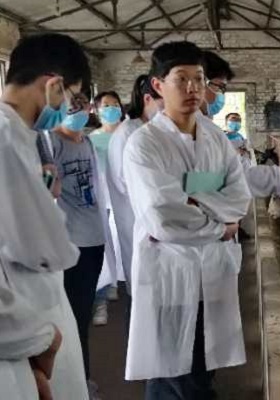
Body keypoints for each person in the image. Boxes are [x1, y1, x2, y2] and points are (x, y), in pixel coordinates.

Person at [123, 41, 251, 400]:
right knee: (171, 372)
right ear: (158, 85)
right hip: (170, 273)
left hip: (213, 270)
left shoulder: (216, 139)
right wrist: (219, 226)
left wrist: (192, 199)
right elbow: (163, 218)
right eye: (181, 78)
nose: (193, 87)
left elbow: (239, 197)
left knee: (202, 366)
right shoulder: (144, 145)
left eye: (199, 78)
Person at [0, 33, 90, 400]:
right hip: (20, 325)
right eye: (69, 97)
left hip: (30, 317)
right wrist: (41, 340)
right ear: (53, 85)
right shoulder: (5, 139)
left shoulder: (18, 137)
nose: (67, 108)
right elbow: (44, 247)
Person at [45, 91, 107, 400]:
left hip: (94, 237)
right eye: (71, 106)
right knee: (73, 318)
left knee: (81, 315)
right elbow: (48, 190)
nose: (77, 110)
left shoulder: (86, 142)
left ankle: (83, 379)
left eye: (82, 105)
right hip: (71, 242)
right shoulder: (51, 142)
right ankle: (77, 385)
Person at [201, 51, 280, 198]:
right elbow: (203, 183)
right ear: (200, 83)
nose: (221, 95)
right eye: (220, 87)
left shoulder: (207, 128)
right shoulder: (190, 133)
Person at [107, 75, 162, 304]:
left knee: (157, 283)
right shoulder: (127, 131)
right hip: (135, 214)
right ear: (147, 99)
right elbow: (123, 179)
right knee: (141, 281)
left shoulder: (154, 129)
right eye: (163, 102)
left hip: (156, 214)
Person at [90, 91, 126, 325]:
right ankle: (101, 297)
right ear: (97, 110)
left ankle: (120, 285)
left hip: (125, 198)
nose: (111, 109)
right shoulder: (92, 139)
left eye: (115, 104)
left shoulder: (130, 134)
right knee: (104, 250)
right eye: (106, 105)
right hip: (101, 199)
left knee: (125, 246)